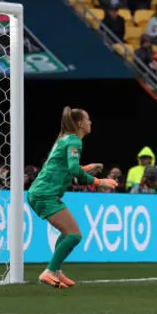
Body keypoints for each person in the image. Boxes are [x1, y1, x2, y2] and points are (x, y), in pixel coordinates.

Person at [27, 107, 117, 288]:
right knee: (74, 235)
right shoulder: (75, 141)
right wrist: (99, 182)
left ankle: (56, 271)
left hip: (41, 192)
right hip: (45, 194)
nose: (90, 122)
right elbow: (73, 170)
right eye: (87, 119)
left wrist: (86, 168)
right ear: (79, 124)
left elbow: (62, 167)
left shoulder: (64, 139)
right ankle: (50, 271)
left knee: (69, 233)